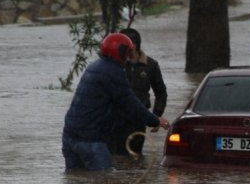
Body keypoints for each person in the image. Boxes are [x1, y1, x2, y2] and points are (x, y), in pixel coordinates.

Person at [62, 33, 171, 171]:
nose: (128, 57)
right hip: (91, 138)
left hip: (70, 135)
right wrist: (155, 120)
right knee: (105, 182)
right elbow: (130, 103)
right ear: (120, 52)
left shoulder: (94, 66)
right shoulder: (113, 71)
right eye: (127, 52)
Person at [109, 28, 169, 155]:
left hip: (138, 120)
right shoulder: (115, 64)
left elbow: (161, 92)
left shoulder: (151, 65)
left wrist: (156, 116)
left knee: (134, 158)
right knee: (114, 158)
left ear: (134, 46)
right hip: (115, 120)